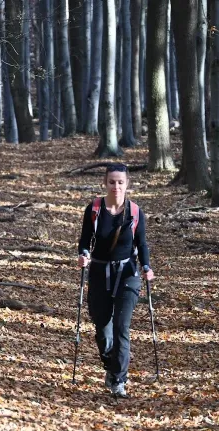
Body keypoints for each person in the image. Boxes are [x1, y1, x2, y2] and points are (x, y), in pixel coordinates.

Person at [77, 163, 154, 398]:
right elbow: (84, 241)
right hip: (100, 273)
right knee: (102, 328)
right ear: (105, 183)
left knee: (122, 327)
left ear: (127, 184)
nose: (116, 186)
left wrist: (147, 267)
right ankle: (111, 366)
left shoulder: (134, 212)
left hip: (128, 274)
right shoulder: (94, 209)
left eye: (120, 182)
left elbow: (141, 244)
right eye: (112, 182)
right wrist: (83, 255)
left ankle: (119, 380)